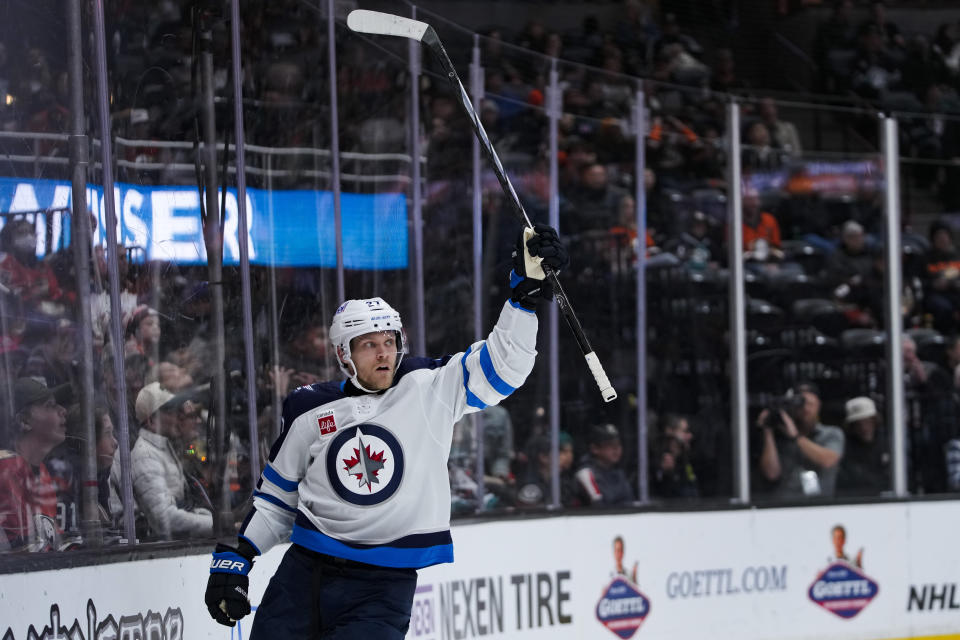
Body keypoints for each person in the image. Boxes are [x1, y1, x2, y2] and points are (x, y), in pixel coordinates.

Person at [204, 224, 569, 637]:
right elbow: (276, 500)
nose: (384, 353)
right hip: (304, 574)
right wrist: (239, 557)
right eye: (368, 344)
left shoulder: (430, 386)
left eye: (390, 341)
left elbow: (504, 368)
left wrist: (523, 299)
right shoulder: (309, 406)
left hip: (383, 587)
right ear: (344, 354)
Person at [130, 381, 213, 540]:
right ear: (151, 421)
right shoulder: (146, 455)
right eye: (169, 411)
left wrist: (207, 516)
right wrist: (213, 525)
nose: (177, 417)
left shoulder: (165, 447)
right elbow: (164, 519)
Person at [0, 377, 70, 551]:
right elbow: (22, 553)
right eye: (50, 406)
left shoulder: (41, 470)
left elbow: (52, 542)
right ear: (24, 421)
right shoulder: (6, 470)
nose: (63, 411)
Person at [757, 383, 845, 498]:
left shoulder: (832, 434)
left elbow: (828, 461)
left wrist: (796, 437)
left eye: (810, 404)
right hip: (785, 505)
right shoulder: (781, 436)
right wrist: (768, 430)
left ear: (819, 405)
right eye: (800, 404)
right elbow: (771, 473)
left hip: (821, 506)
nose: (805, 408)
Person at [836, 397, 889, 496]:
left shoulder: (888, 444)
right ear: (852, 427)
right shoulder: (845, 449)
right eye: (858, 424)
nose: (864, 428)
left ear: (875, 421)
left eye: (867, 422)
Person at [574, 423, 634, 506]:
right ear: (594, 449)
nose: (616, 449)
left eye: (618, 444)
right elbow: (599, 507)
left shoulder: (619, 473)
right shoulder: (586, 474)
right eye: (610, 444)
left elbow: (629, 502)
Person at [515, 431, 576, 507]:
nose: (564, 457)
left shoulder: (563, 481)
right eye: (558, 453)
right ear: (543, 457)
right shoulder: (530, 487)